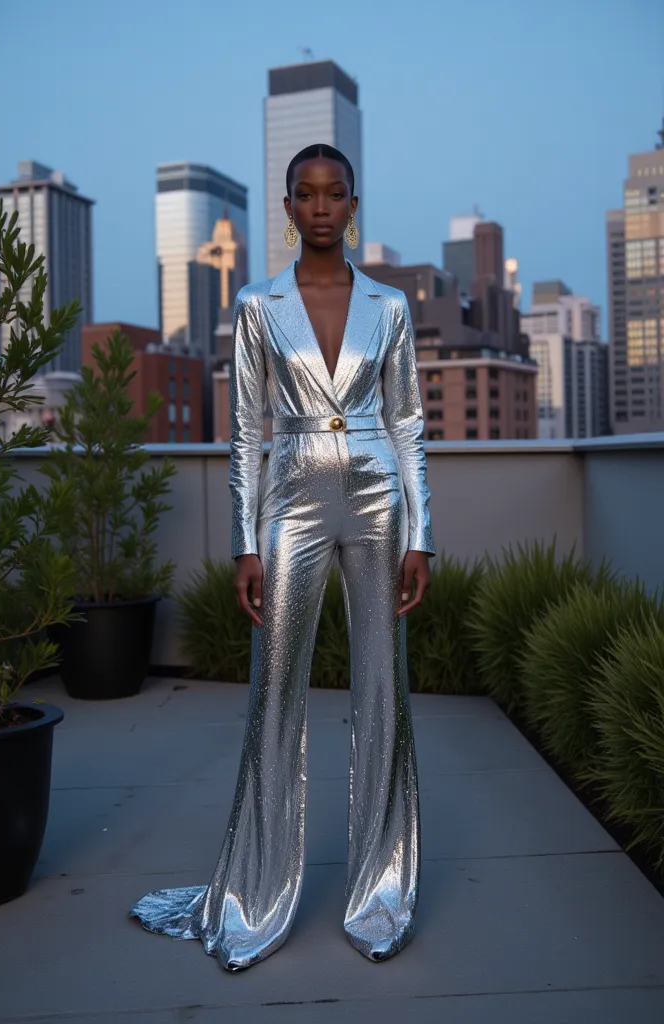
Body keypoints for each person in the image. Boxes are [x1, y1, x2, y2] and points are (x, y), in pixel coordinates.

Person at [130, 143, 435, 972]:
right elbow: (246, 433)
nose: (323, 207)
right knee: (276, 694)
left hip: (378, 497)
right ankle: (254, 894)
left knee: (383, 690)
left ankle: (382, 893)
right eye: (308, 194)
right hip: (291, 500)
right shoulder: (258, 304)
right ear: (291, 207)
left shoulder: (391, 307)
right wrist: (243, 541)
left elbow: (407, 424)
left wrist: (421, 533)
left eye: (336, 193)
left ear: (354, 203)